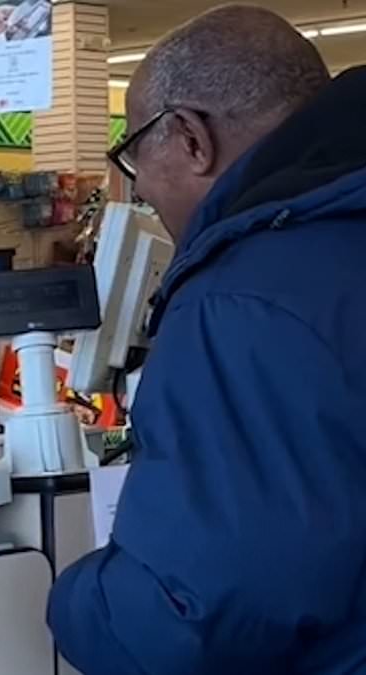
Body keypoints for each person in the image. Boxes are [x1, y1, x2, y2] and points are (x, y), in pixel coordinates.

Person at [49, 6, 366, 674]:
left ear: (190, 138)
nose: (141, 193)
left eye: (134, 157)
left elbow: (192, 616)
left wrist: (69, 595)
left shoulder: (243, 301)